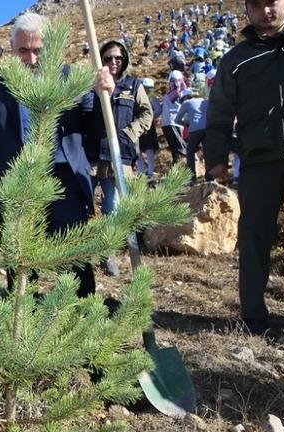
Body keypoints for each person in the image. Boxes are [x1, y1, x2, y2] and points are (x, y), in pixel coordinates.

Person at [0, 11, 114, 297]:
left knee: (76, 267)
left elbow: (97, 131)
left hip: (64, 185)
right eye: (23, 50)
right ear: (11, 48)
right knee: (21, 273)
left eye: (38, 51)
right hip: (14, 188)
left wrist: (102, 95)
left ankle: (80, 329)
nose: (32, 60)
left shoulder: (72, 79)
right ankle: (24, 333)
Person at [205, 0, 284, 333]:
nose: (266, 11)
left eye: (272, 2)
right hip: (259, 160)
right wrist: (216, 159)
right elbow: (220, 113)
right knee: (254, 238)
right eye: (257, 5)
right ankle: (253, 316)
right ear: (247, 10)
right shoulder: (236, 60)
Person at [85, 39, 153, 276]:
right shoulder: (92, 84)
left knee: (113, 207)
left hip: (121, 156)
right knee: (85, 205)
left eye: (118, 58)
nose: (114, 62)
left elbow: (147, 114)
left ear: (125, 60)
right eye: (108, 58)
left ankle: (109, 253)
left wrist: (129, 133)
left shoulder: (134, 85)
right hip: (93, 155)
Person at [175, 87, 209, 182]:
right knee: (208, 153)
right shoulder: (205, 101)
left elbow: (177, 120)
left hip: (194, 129)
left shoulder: (187, 103)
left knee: (190, 152)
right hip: (207, 129)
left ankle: (192, 178)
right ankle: (210, 177)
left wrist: (187, 123)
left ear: (186, 97)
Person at [137, 78, 162, 184]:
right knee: (139, 149)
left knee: (148, 148)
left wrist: (149, 117)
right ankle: (142, 172)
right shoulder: (140, 96)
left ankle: (149, 171)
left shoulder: (152, 98)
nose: (148, 90)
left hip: (146, 125)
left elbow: (158, 110)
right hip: (139, 124)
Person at [161, 70, 187, 166]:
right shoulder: (180, 93)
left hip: (168, 123)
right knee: (179, 148)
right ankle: (181, 168)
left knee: (175, 149)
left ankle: (176, 168)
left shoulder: (170, 94)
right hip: (174, 123)